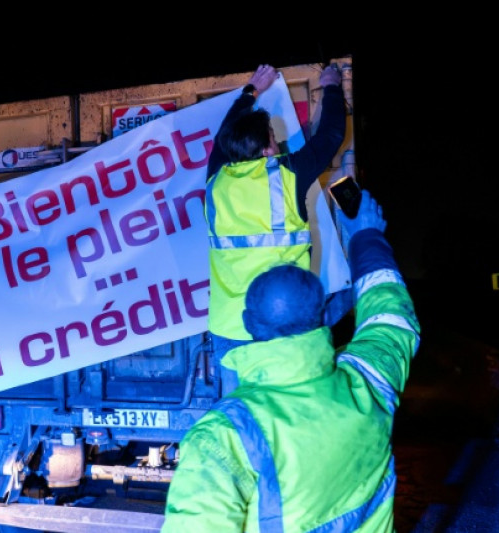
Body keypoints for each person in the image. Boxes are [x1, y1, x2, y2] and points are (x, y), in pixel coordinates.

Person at [163, 190, 421, 532]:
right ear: (323, 316)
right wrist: (366, 235)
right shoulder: (370, 381)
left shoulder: (225, 436)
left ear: (248, 323)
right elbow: (391, 318)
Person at [205, 62, 347, 394]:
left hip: (228, 329)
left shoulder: (215, 180)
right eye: (273, 137)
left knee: (242, 414)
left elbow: (221, 140)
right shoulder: (287, 174)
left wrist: (252, 90)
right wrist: (331, 85)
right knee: (289, 409)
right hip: (282, 326)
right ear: (267, 148)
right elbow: (331, 136)